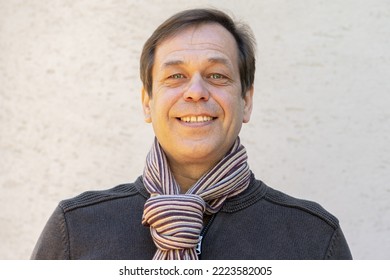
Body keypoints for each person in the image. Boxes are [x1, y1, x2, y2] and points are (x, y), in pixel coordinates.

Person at [31, 8, 352, 260]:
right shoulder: (76, 228)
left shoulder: (314, 238)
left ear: (246, 101)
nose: (196, 92)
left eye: (216, 75)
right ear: (148, 103)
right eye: (175, 76)